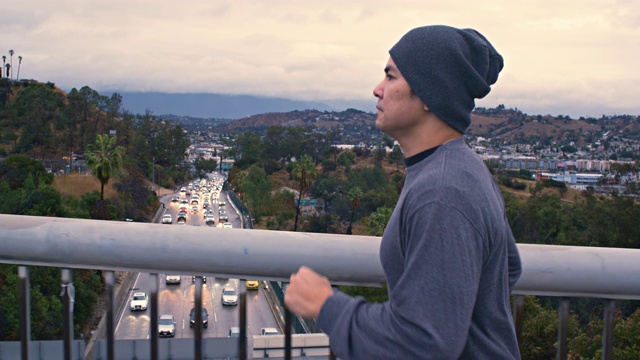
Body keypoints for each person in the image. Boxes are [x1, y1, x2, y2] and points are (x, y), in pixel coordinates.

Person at [284, 25, 522, 359]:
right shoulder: (461, 168)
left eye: (391, 77)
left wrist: (327, 305)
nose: (377, 89)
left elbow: (421, 343)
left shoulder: (443, 191)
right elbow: (509, 267)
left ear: (428, 94)